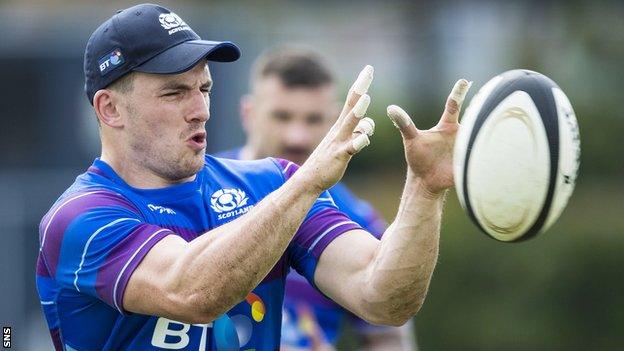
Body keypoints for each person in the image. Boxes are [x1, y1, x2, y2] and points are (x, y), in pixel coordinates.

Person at [35, 3, 471, 351]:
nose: (200, 109)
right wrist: (306, 183)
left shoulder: (272, 182)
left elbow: (382, 297)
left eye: (204, 89)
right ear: (110, 109)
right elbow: (192, 292)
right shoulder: (79, 219)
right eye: (174, 93)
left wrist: (425, 188)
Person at [217, 47, 417, 350]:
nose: (296, 136)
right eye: (281, 116)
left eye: (313, 119)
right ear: (248, 114)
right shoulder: (197, 188)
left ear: (336, 121)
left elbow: (388, 337)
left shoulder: (358, 222)